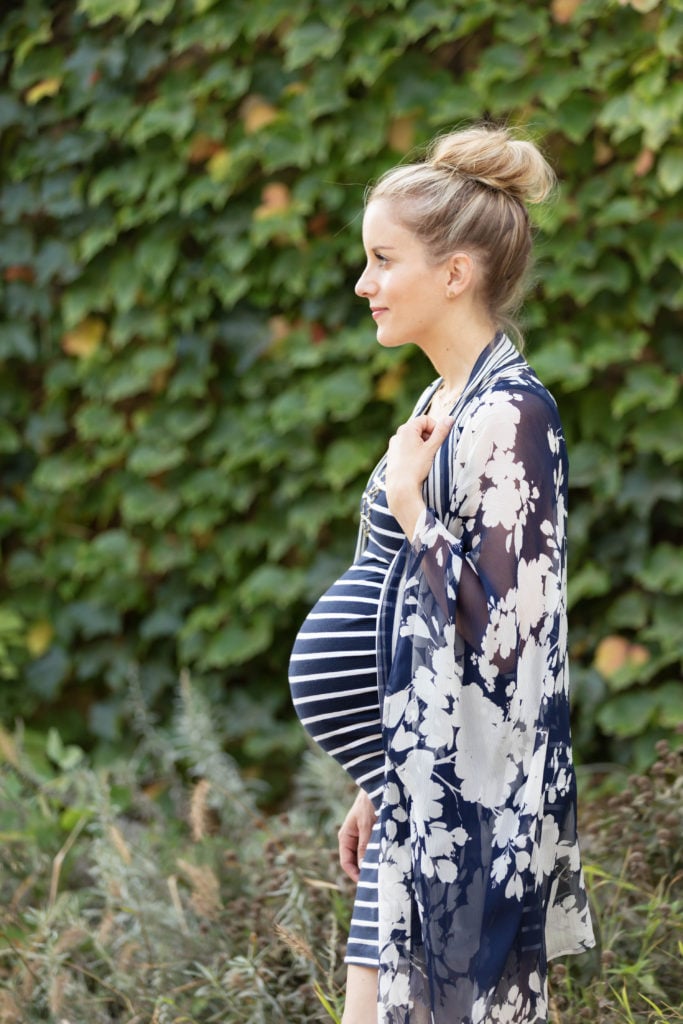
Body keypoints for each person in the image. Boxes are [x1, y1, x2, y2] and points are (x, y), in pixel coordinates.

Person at [288, 124, 595, 1024]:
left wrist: (412, 504)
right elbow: (396, 594)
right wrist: (372, 776)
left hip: (468, 816)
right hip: (413, 792)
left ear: (454, 273)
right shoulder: (441, 400)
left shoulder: (512, 418)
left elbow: (508, 635)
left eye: (382, 260)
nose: (362, 283)